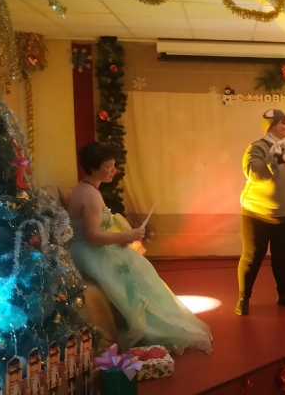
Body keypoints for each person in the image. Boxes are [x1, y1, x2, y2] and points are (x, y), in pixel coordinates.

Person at [66, 141, 212, 353]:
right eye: (108, 166)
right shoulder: (90, 195)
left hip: (89, 247)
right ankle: (145, 327)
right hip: (86, 251)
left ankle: (149, 322)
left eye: (113, 165)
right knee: (133, 271)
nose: (114, 170)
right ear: (92, 168)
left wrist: (121, 238)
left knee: (137, 265)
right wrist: (127, 235)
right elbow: (92, 236)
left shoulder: (88, 189)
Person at [235, 109, 285, 316]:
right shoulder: (256, 148)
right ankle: (243, 298)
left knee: (282, 256)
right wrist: (275, 159)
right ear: (271, 126)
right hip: (256, 214)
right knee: (252, 257)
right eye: (283, 123)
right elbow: (253, 173)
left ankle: (283, 295)